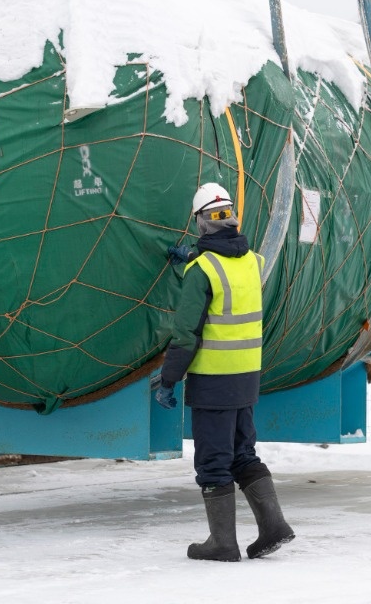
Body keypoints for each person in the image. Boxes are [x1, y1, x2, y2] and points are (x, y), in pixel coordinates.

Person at [152, 183, 294, 562]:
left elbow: (186, 333)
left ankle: (222, 543)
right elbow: (226, 270)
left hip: (214, 382)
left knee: (213, 461)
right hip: (246, 377)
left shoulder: (202, 270)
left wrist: (169, 380)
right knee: (243, 453)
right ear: (232, 218)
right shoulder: (253, 262)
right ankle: (274, 526)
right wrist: (192, 257)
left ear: (201, 223)